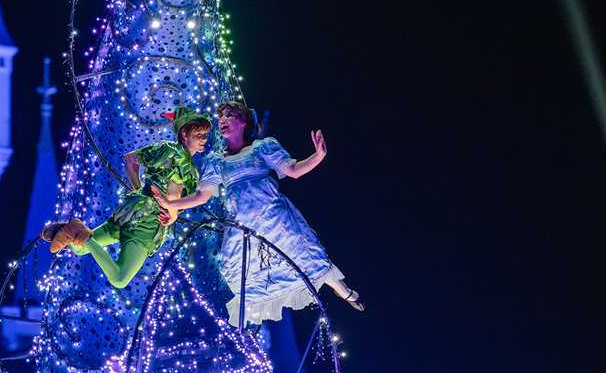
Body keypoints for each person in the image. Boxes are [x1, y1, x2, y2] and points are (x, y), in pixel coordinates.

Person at [152, 101, 364, 323]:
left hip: (275, 220)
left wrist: (318, 156)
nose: (222, 120)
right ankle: (247, 337)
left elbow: (292, 171)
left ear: (243, 121)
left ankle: (346, 292)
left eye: (229, 115)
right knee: (246, 278)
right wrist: (171, 203)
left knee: (306, 257)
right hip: (243, 226)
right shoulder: (216, 161)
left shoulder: (262, 147)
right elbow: (202, 196)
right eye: (221, 116)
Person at [41, 107, 211, 289]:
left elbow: (130, 159)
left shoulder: (164, 148)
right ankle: (81, 234)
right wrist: (172, 215)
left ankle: (71, 230)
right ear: (184, 134)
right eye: (199, 134)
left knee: (80, 248)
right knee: (120, 279)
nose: (204, 139)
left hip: (130, 210)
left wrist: (138, 192)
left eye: (205, 134)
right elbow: (171, 195)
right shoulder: (185, 165)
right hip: (147, 222)